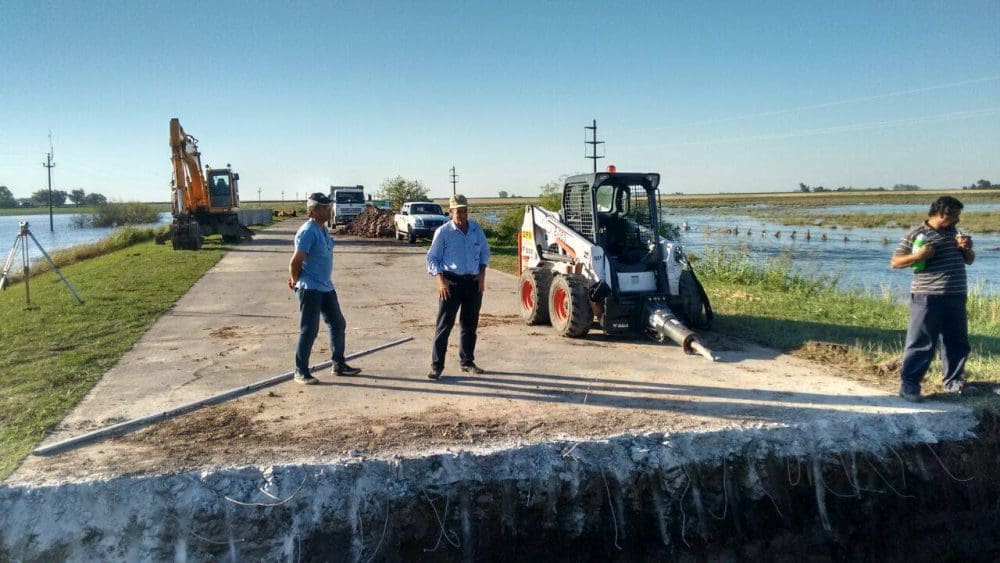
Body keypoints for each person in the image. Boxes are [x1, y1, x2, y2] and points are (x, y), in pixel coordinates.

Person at [890, 196, 976, 402]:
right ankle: (909, 385)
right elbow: (895, 262)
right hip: (927, 297)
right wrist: (918, 257)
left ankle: (954, 382)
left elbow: (970, 261)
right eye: (955, 215)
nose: (958, 220)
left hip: (955, 295)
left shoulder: (954, 233)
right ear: (940, 214)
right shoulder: (916, 234)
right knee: (922, 342)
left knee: (957, 342)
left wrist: (966, 249)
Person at [287, 192, 361, 384]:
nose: (330, 211)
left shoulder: (322, 230)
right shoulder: (308, 231)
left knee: (338, 323)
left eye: (329, 208)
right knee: (309, 329)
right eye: (325, 208)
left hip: (326, 286)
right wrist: (295, 281)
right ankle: (300, 371)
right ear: (314, 211)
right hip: (310, 288)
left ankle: (338, 364)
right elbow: (295, 262)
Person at [426, 194, 491, 380]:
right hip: (451, 284)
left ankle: (467, 362)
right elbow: (432, 258)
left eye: (464, 211)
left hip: (473, 283)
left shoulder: (476, 230)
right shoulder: (444, 232)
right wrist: (440, 281)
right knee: (444, 326)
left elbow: (485, 252)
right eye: (458, 211)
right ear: (450, 212)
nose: (462, 215)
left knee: (469, 325)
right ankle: (437, 366)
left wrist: (482, 275)